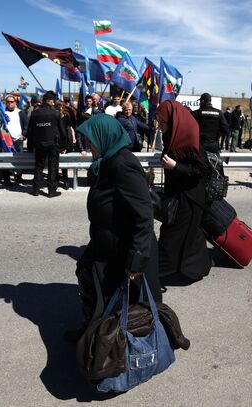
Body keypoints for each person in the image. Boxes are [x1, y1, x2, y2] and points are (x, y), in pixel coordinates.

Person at [65, 114, 162, 341]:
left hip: (127, 250)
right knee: (91, 281)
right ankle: (93, 337)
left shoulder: (122, 164)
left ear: (104, 136)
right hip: (108, 244)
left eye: (91, 140)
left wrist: (137, 261)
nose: (88, 145)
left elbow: (144, 214)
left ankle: (121, 353)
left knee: (126, 307)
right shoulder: (105, 163)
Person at [156, 100, 211, 281]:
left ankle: (156, 272)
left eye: (162, 122)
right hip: (179, 195)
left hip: (189, 198)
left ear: (173, 121)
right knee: (190, 236)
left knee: (171, 236)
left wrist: (175, 166)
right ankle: (198, 267)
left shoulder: (190, 141)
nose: (159, 126)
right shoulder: (172, 136)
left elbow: (200, 170)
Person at [26, 90, 65, 198]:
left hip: (39, 144)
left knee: (38, 166)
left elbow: (30, 132)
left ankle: (35, 189)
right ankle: (51, 191)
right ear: (49, 101)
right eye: (53, 101)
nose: (54, 103)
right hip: (53, 144)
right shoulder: (55, 113)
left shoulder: (34, 113)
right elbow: (62, 131)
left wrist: (31, 146)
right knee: (53, 167)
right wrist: (63, 145)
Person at [3, 95, 28, 184]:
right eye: (8, 102)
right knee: (6, 159)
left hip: (18, 140)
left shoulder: (20, 112)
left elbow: (26, 125)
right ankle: (7, 178)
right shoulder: (2, 113)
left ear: (15, 103)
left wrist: (24, 135)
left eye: (12, 102)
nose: (10, 103)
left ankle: (19, 176)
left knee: (19, 159)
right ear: (5, 103)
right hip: (6, 141)